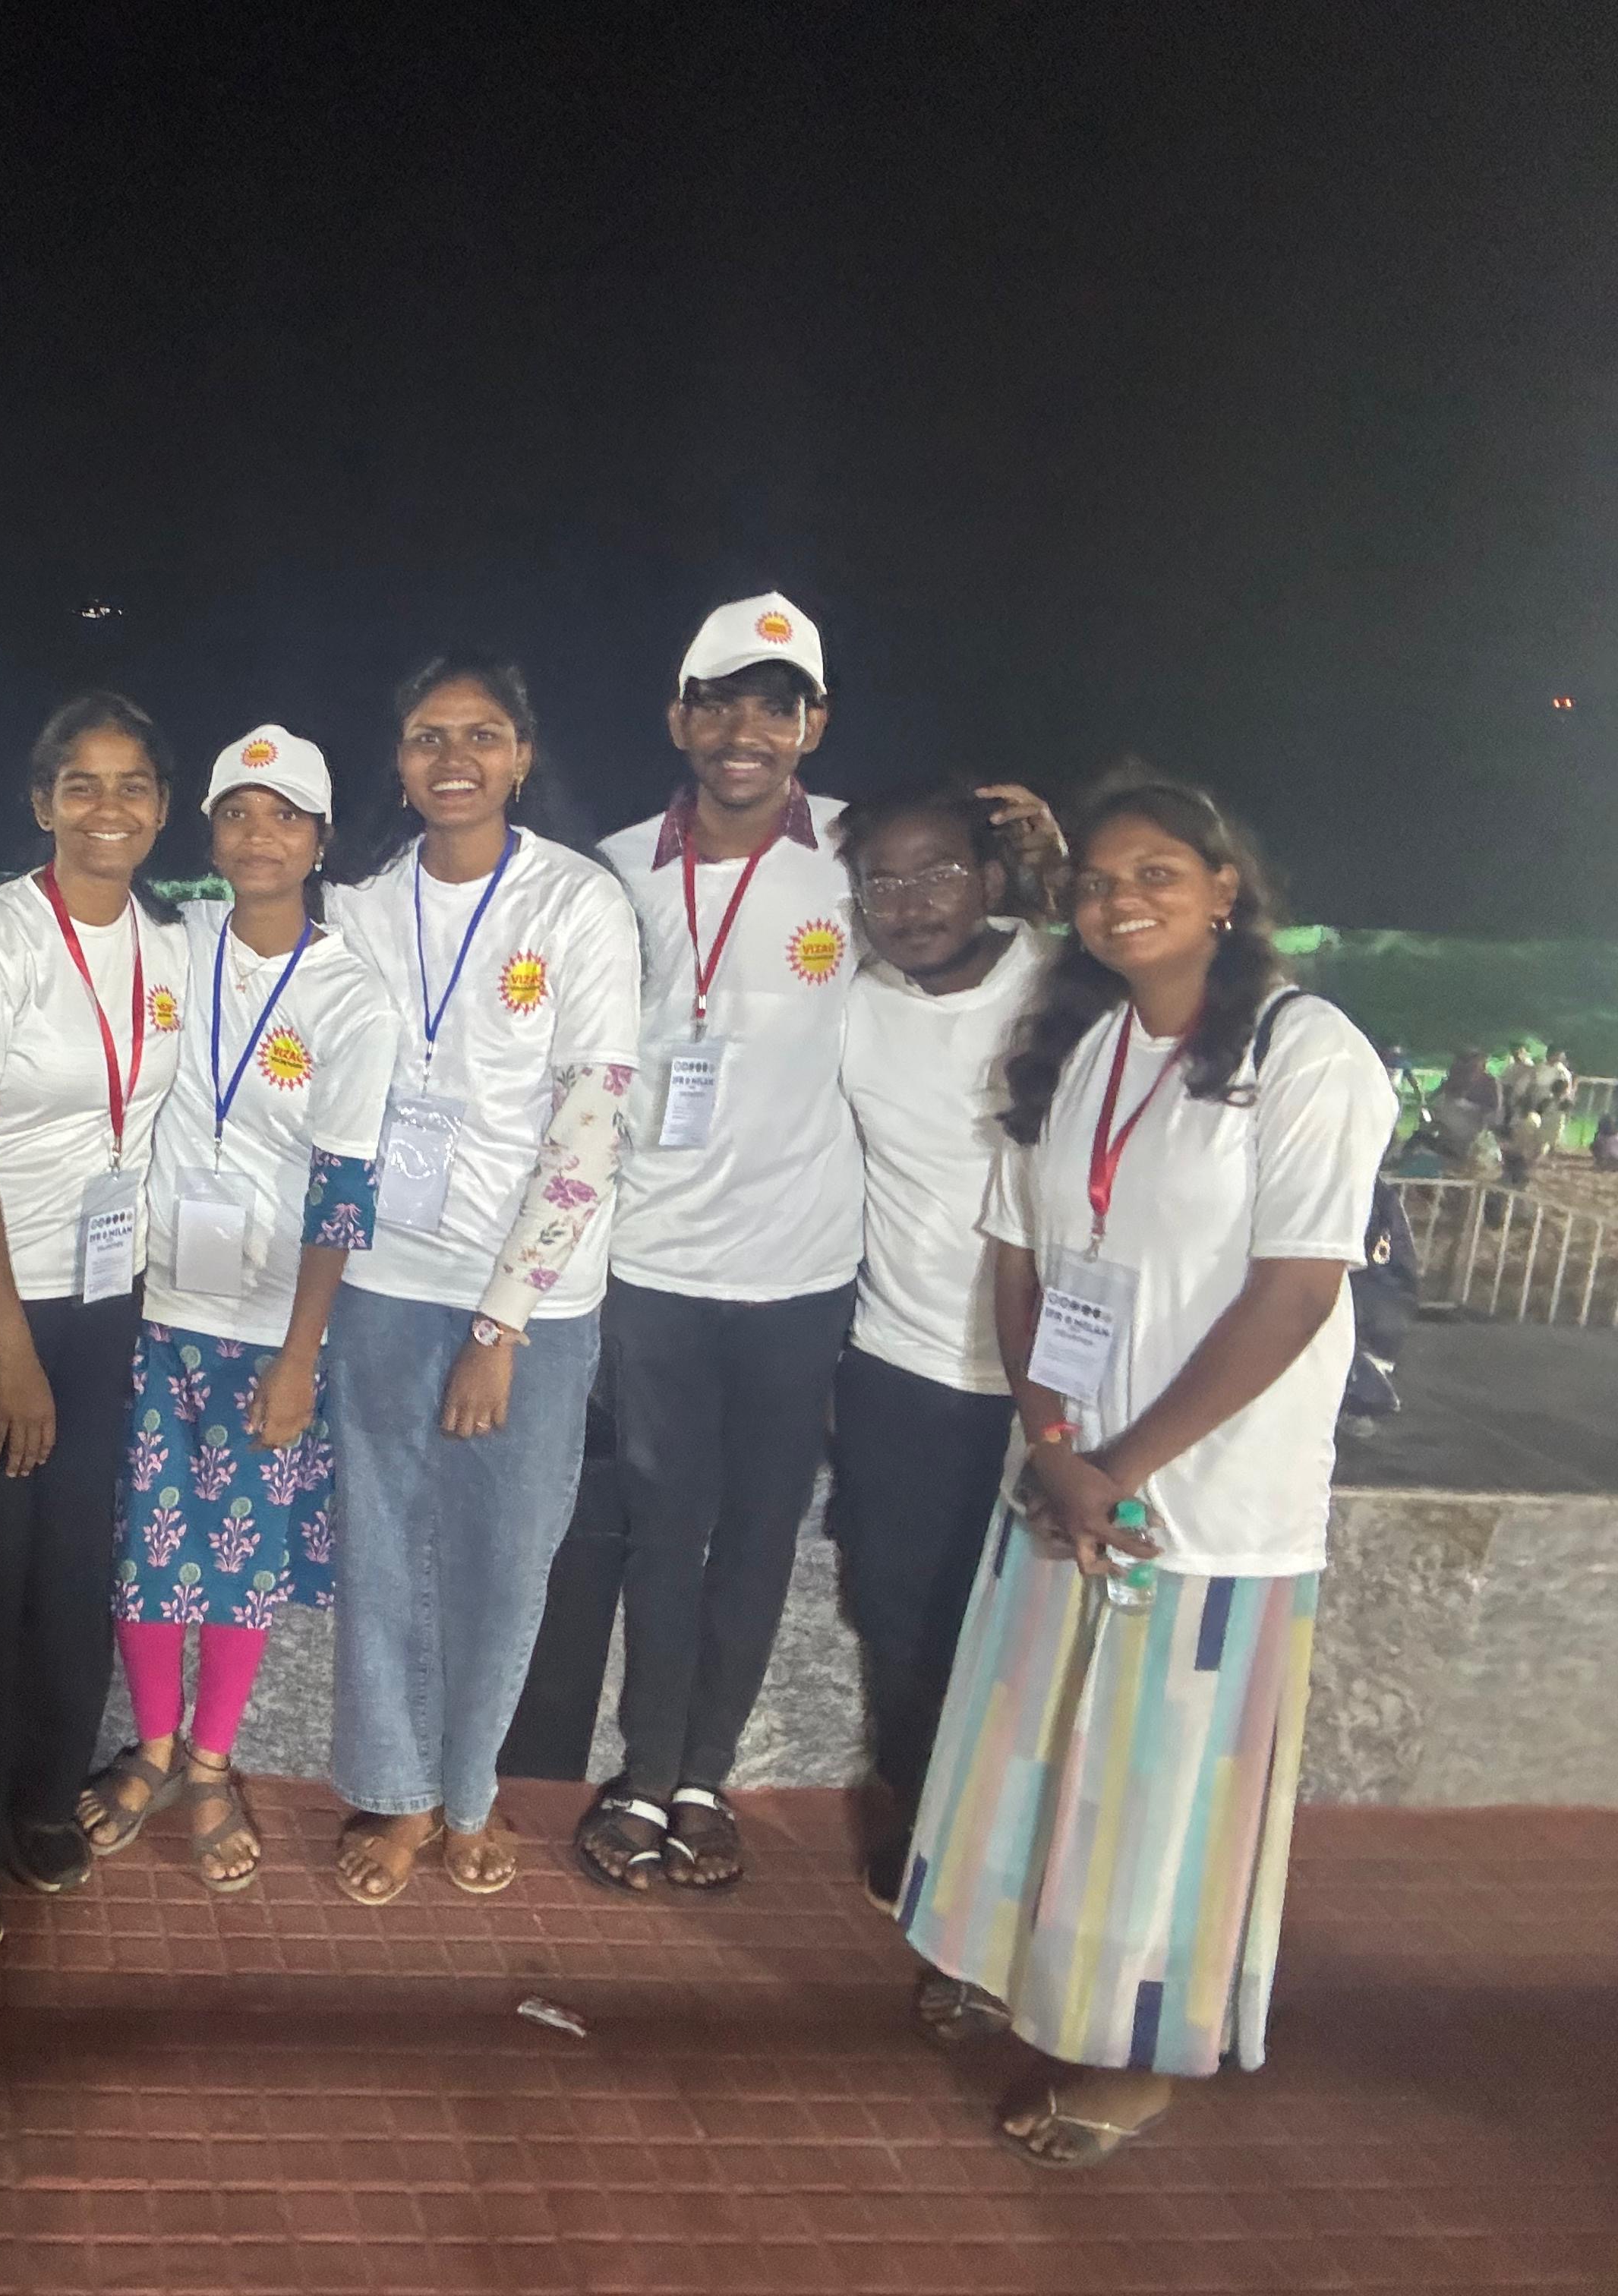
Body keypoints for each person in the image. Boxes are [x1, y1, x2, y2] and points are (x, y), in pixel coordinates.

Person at [900, 779, 1392, 2169]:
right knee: (1037, 1743)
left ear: (1225, 888)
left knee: (1160, 1784)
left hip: (1206, 1497)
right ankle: (1014, 1965)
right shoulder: (1078, 1043)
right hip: (1068, 1475)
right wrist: (1056, 1447)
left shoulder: (1306, 1052)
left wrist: (1119, 1465)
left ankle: (1133, 2055)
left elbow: (1296, 1291)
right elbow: (1019, 1260)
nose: (1121, 901)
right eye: (1099, 880)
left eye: (1157, 872)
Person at [322, 653, 643, 1904]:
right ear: (398, 761)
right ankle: (401, 1795)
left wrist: (500, 1324)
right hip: (382, 1278)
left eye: (481, 733)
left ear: (521, 755)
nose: (452, 756)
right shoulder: (359, 903)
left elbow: (591, 1120)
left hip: (531, 1301)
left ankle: (469, 1792)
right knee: (384, 1548)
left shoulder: (576, 902)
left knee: (505, 1559)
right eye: (426, 734)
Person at [75, 727, 396, 1895]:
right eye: (237, 812)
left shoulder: (351, 998)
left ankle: (212, 1763)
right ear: (207, 831)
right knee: (146, 1543)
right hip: (151, 1303)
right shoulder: (174, 945)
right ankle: (155, 1749)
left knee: (240, 1554)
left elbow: (343, 1192)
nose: (260, 835)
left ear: (321, 838)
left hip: (270, 1324)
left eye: (285, 815)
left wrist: (302, 1355)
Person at [0, 693, 188, 1947]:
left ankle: (40, 1794)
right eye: (82, 784)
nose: (107, 808)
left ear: (160, 807)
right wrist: (9, 1346)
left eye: (131, 785)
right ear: (42, 802)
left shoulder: (170, 943)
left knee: (70, 1565)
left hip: (103, 1299)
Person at [578, 592, 861, 1894]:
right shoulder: (611, 869)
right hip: (654, 1267)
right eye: (722, 701)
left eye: (776, 705)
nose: (746, 729)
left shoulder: (865, 857)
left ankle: (705, 1775)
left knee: (758, 1534)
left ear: (814, 725)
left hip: (803, 1269)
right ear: (679, 717)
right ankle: (643, 1770)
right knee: (663, 1527)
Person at [825, 783, 1055, 1907]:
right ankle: (921, 1819)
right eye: (884, 881)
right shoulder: (856, 1004)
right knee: (899, 1612)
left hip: (1051, 1374)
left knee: (1027, 1624)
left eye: (938, 873)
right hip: (900, 1368)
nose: (910, 902)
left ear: (993, 880)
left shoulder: (1064, 989)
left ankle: (1021, 1844)